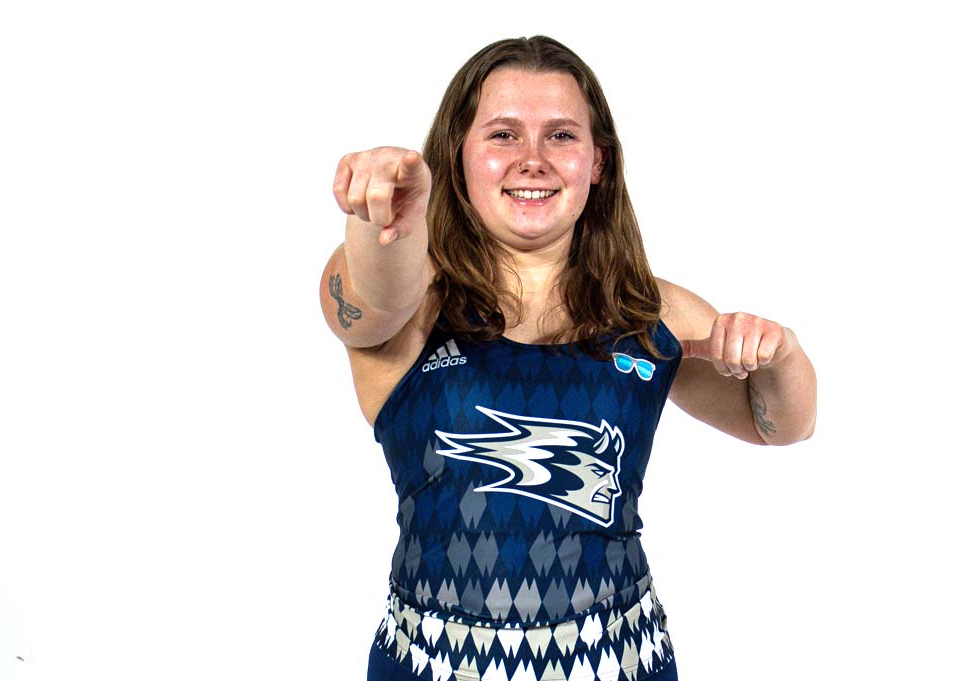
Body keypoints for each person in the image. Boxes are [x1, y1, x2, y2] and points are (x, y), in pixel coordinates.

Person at [322, 35, 816, 681]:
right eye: (502, 135)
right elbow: (377, 292)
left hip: (617, 659)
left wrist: (782, 353)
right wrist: (387, 214)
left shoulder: (652, 310)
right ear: (457, 156)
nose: (532, 159)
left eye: (560, 135)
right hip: (434, 662)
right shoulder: (410, 302)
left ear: (598, 162)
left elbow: (778, 424)